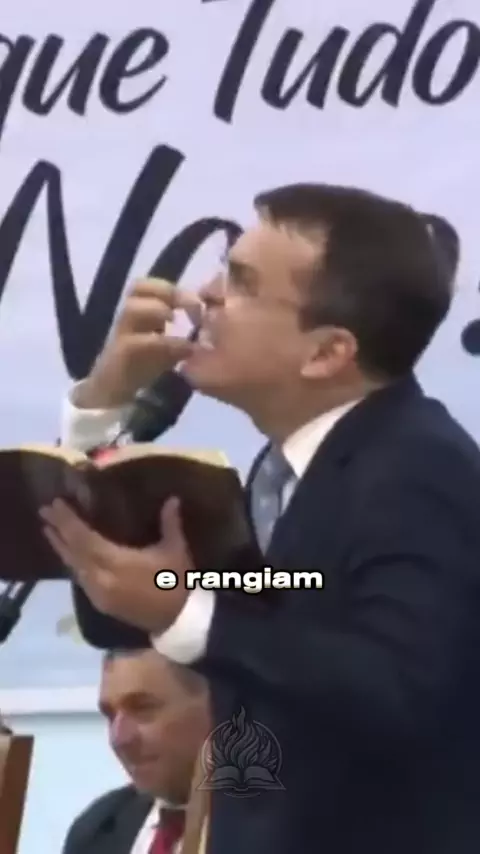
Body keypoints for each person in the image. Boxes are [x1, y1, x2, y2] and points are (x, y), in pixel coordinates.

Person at [42, 183, 480, 854]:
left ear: (326, 353)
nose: (207, 295)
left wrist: (186, 611)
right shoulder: (285, 469)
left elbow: (399, 688)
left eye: (242, 283)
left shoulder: (418, 467)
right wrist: (102, 410)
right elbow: (119, 620)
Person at [63, 648, 209, 854]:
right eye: (110, 715)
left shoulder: (255, 834)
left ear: (217, 706)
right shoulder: (95, 830)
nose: (119, 738)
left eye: (143, 708)